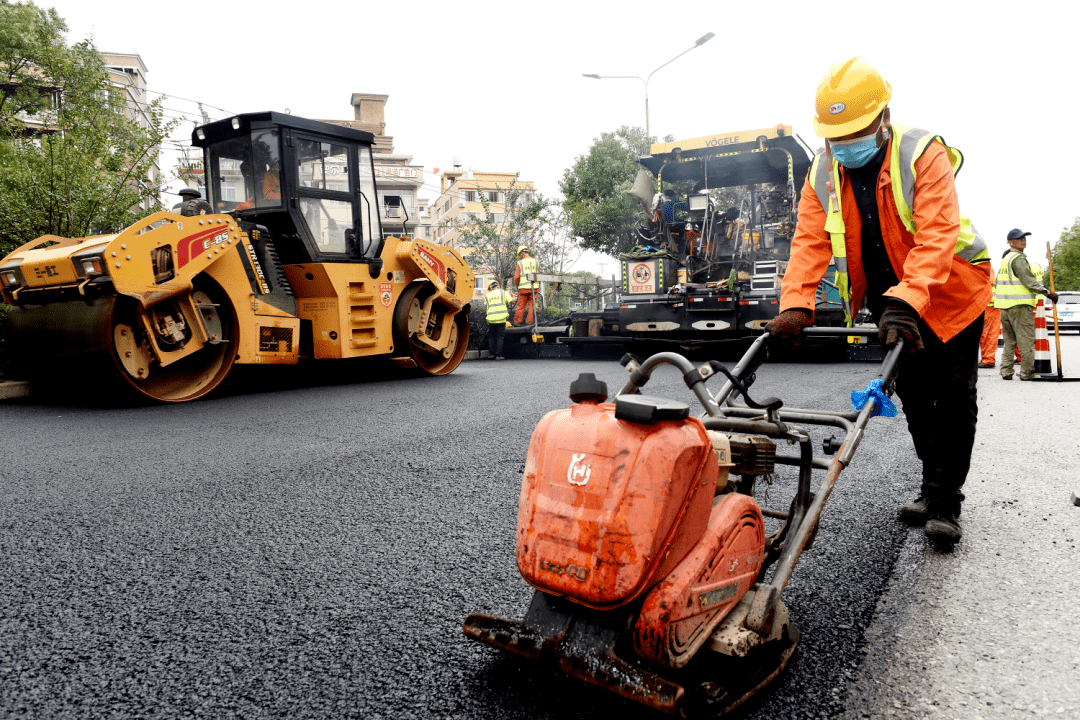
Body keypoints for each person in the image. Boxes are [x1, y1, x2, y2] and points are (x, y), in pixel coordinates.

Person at [765, 57, 994, 545]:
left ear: (883, 118)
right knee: (913, 394)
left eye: (856, 133)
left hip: (952, 289)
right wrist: (795, 304)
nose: (845, 145)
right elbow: (809, 241)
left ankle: (945, 501)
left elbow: (937, 237)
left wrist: (909, 300)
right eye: (836, 136)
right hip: (889, 300)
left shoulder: (921, 153)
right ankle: (932, 487)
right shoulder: (822, 171)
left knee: (952, 394)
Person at [994, 229, 1058, 381]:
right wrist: (1049, 293)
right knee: (1027, 341)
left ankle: (1006, 372)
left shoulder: (1006, 259)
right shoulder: (1018, 259)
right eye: (1019, 239)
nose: (1023, 241)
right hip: (1020, 306)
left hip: (1006, 307)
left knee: (1009, 342)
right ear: (1010, 242)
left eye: (1024, 238)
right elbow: (1029, 281)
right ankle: (1027, 373)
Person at [484, 279, 514, 360]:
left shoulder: (487, 296)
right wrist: (514, 297)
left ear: (490, 288)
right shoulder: (503, 292)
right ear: (497, 286)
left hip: (491, 319)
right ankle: (498, 355)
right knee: (500, 337)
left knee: (491, 337)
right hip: (501, 318)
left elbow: (486, 307)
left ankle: (491, 354)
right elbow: (512, 301)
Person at [513, 245, 538, 326]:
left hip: (523, 289)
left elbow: (517, 278)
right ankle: (529, 323)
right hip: (534, 288)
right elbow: (539, 276)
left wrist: (518, 288)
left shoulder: (520, 263)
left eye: (520, 255)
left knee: (520, 307)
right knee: (532, 307)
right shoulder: (536, 262)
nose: (520, 257)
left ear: (522, 253)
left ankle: (517, 323)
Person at [977, 287, 1000, 369]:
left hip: (990, 303)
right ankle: (987, 359)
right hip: (988, 303)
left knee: (988, 333)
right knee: (987, 333)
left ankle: (988, 359)